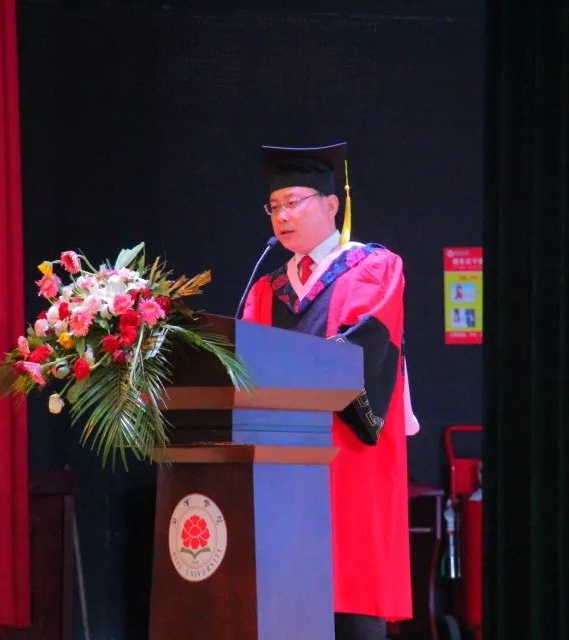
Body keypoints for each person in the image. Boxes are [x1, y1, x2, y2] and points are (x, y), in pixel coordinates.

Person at [241, 142, 415, 640]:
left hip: (347, 454)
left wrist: (286, 371)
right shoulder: (265, 289)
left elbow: (364, 347)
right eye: (275, 206)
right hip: (283, 465)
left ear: (332, 204)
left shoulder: (373, 267)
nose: (282, 216)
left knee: (350, 592)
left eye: (294, 202)